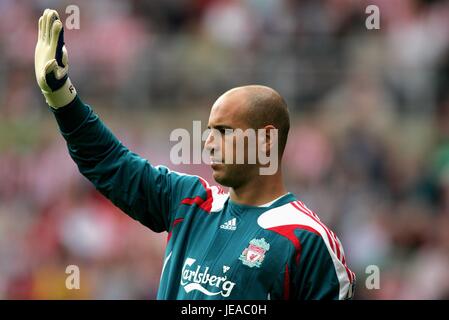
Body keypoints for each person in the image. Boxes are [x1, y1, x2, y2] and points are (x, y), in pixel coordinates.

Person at [34, 9, 355, 300]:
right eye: (210, 132)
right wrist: (62, 96)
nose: (210, 144)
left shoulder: (308, 240)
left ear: (267, 140)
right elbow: (109, 163)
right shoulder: (189, 201)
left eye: (225, 132)